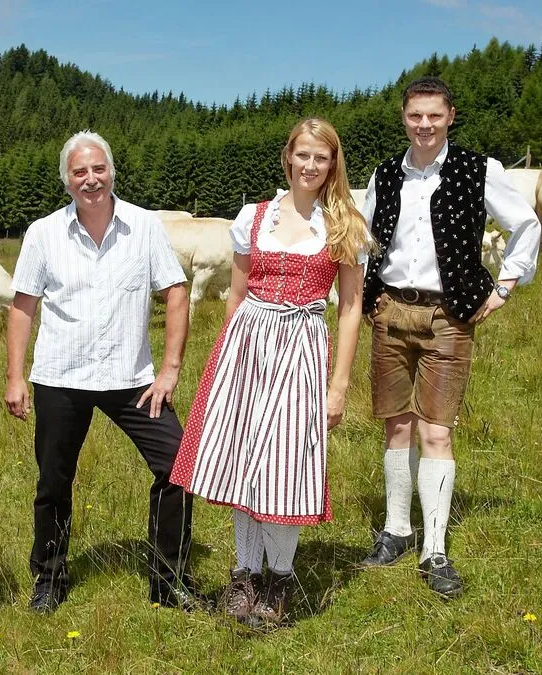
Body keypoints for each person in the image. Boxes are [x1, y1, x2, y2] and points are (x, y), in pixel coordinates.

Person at [170, 118, 369, 628]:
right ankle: (243, 575)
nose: (310, 165)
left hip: (303, 346)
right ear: (288, 157)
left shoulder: (343, 223)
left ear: (332, 165)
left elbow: (349, 308)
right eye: (302, 155)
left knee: (285, 465)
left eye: (320, 158)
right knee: (243, 462)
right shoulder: (253, 217)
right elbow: (236, 295)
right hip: (248, 346)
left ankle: (278, 579)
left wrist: (339, 385)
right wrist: (222, 366)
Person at [358, 77, 541, 598]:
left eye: (434, 116)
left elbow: (526, 225)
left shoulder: (481, 170)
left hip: (449, 313)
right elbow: (367, 239)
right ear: (404, 117)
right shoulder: (385, 173)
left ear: (451, 116)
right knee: (395, 424)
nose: (424, 125)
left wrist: (504, 286)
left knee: (435, 430)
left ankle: (433, 549)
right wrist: (362, 292)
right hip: (390, 309)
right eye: (415, 116)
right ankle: (396, 529)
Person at [5, 130, 198, 614]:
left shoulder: (145, 226)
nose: (90, 179)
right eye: (79, 172)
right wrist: (14, 375)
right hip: (61, 376)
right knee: (53, 481)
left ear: (112, 171)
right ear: (66, 182)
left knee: (178, 464)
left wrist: (170, 369)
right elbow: (23, 305)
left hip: (132, 378)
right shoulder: (43, 233)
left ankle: (167, 579)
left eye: (98, 169)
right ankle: (49, 577)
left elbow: (176, 290)